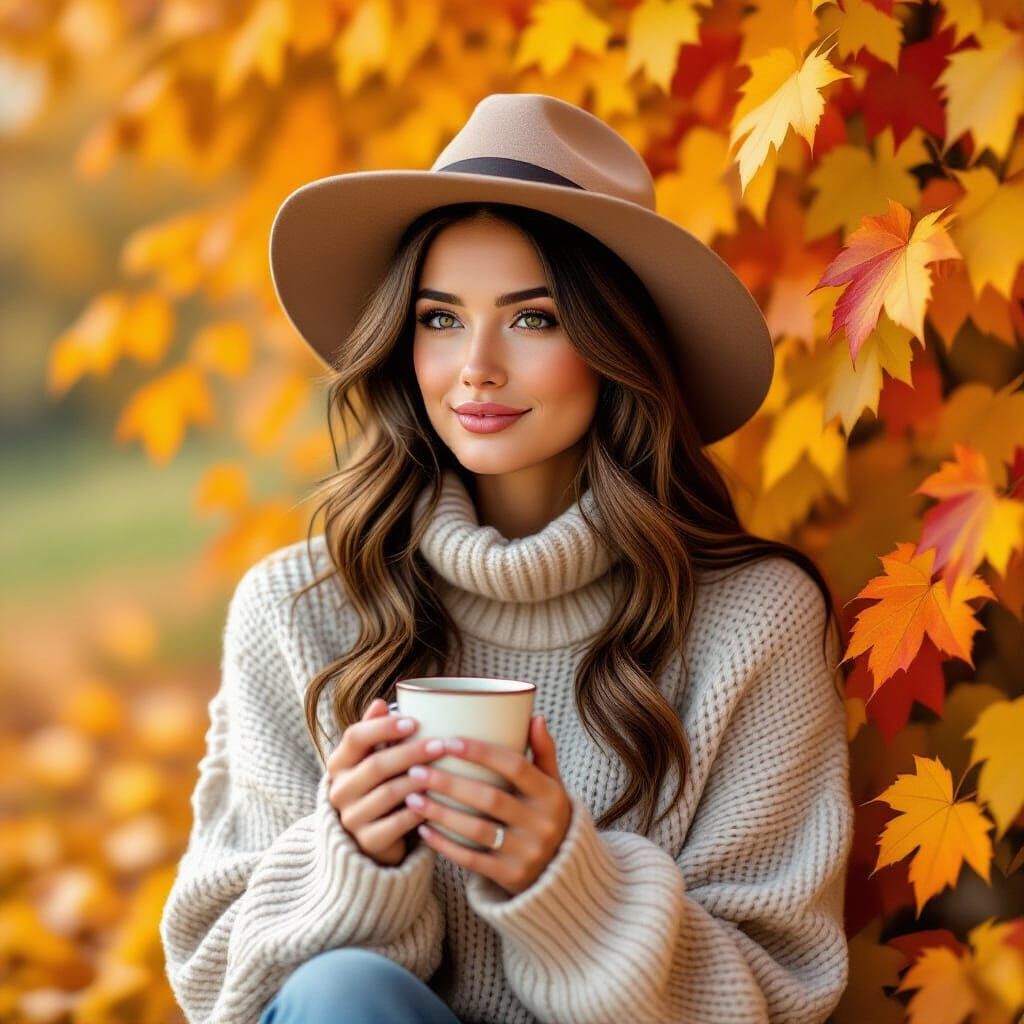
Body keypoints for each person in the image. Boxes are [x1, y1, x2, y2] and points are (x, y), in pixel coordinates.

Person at [159, 92, 854, 1024]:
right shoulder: (298, 609)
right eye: (440, 319)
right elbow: (215, 977)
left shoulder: (750, 618)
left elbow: (782, 988)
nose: (475, 365)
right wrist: (353, 861)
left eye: (534, 320)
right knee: (341, 994)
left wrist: (565, 886)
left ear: (618, 347)